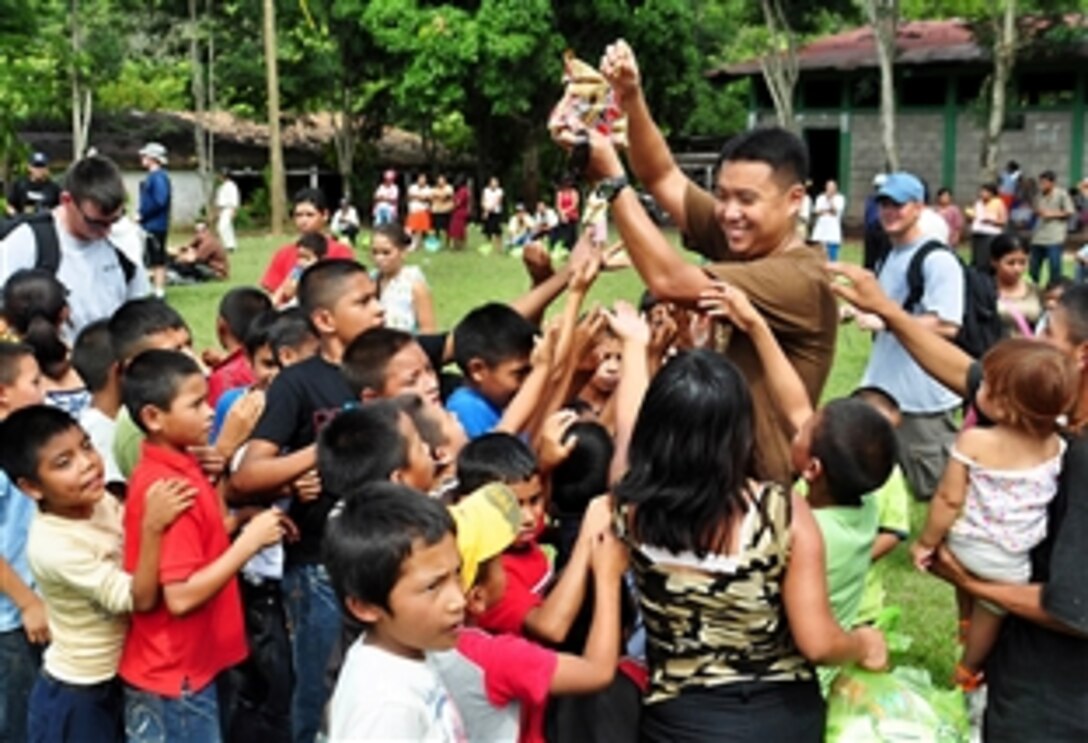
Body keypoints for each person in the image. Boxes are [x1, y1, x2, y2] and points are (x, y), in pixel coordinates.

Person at [826, 265, 1088, 742]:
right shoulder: (1038, 413)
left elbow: (1074, 608)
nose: (1033, 336)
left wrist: (965, 577)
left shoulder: (1077, 450)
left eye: (1048, 330)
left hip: (1053, 706)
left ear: (1082, 354)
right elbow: (967, 373)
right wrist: (887, 309)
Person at [575, 39, 837, 484]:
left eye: (746, 200)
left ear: (795, 200)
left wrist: (612, 181)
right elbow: (661, 175)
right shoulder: (746, 240)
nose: (729, 213)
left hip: (752, 485)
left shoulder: (797, 277)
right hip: (710, 470)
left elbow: (667, 281)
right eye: (722, 196)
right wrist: (632, 98)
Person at [611, 345, 886, 742]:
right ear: (740, 429)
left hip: (681, 718)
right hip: (781, 717)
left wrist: (636, 346)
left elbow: (625, 434)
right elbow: (818, 642)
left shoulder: (627, 509)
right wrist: (863, 642)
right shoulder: (781, 513)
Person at [231, 259, 384, 743]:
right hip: (318, 566)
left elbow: (475, 340)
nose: (378, 310)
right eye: (363, 301)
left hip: (387, 556)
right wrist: (326, 449)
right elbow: (249, 475)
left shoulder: (392, 360)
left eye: (376, 297)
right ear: (324, 320)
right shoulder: (299, 383)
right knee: (322, 695)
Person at [118, 349, 284, 743]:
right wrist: (248, 543)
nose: (210, 412)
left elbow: (198, 544)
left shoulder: (185, 464)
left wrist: (238, 521)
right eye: (195, 404)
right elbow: (180, 596)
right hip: (177, 675)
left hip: (191, 668)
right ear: (154, 418)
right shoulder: (170, 489)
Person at [0, 405, 193, 743]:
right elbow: (140, 599)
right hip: (80, 694)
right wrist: (152, 527)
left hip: (121, 677)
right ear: (31, 487)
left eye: (86, 446)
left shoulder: (100, 500)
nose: (88, 462)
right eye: (64, 463)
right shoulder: (54, 545)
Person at [910, 340, 1077, 712]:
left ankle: (965, 637)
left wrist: (926, 542)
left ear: (1004, 405)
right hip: (1012, 559)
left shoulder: (975, 441)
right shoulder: (1056, 445)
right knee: (995, 609)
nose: (976, 389)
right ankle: (970, 667)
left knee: (971, 585)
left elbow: (949, 499)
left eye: (984, 386)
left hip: (966, 541)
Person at [324, 483, 468, 740]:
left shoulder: (411, 647)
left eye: (457, 574)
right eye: (433, 586)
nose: (458, 600)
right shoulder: (386, 707)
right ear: (366, 607)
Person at [858, 172, 965, 501]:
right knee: (868, 477)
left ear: (918, 207)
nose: (889, 212)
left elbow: (948, 325)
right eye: (884, 204)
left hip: (923, 397)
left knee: (934, 487)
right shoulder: (889, 255)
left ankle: (939, 547)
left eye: (898, 205)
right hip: (882, 386)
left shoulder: (938, 260)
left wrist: (887, 321)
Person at [0, 155, 150, 340]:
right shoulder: (28, 239)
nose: (105, 232)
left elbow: (139, 315)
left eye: (114, 221)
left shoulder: (124, 243)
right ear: (66, 200)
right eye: (95, 222)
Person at [0, 343, 48, 743]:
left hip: (29, 607)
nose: (44, 389)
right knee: (19, 720)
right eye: (34, 382)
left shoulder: (21, 442)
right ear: (4, 393)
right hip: (10, 618)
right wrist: (27, 602)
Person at [259, 188, 354, 294]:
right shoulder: (283, 254)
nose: (303, 221)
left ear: (325, 215)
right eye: (299, 215)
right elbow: (270, 292)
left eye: (310, 215)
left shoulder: (340, 252)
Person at [371, 222, 435, 333]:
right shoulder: (370, 280)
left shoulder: (414, 285)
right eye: (375, 252)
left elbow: (428, 330)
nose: (379, 258)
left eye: (386, 253)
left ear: (403, 252)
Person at [136, 142, 172, 300]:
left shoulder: (158, 177)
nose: (142, 158)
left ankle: (159, 292)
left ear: (153, 158)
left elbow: (160, 201)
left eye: (145, 156)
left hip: (155, 225)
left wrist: (142, 215)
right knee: (150, 258)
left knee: (157, 259)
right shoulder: (153, 177)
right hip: (151, 224)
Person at [990, 233, 1043, 337]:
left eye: (1022, 263)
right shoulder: (983, 291)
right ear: (994, 262)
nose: (1017, 269)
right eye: (1010, 263)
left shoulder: (1036, 291)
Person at [1029, 170, 1074, 286]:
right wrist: (1036, 211)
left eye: (1044, 183)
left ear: (1052, 183)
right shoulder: (1038, 196)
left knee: (1054, 266)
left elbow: (1069, 212)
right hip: (1038, 235)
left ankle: (1054, 288)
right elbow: (1036, 210)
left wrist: (1052, 214)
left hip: (1054, 236)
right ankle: (1035, 285)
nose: (1041, 185)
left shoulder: (1062, 194)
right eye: (1040, 183)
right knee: (1033, 265)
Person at [6, 151, 60, 216]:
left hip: (46, 223)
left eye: (42, 166)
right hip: (24, 223)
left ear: (46, 168)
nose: (39, 170)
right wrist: (16, 217)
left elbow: (60, 208)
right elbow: (10, 206)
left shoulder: (54, 188)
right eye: (36, 166)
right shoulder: (19, 185)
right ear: (29, 167)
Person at [968, 182, 1008, 270]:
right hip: (977, 233)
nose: (982, 194)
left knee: (987, 259)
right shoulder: (978, 203)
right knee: (976, 259)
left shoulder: (998, 203)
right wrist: (970, 217)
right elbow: (973, 218)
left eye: (985, 192)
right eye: (981, 191)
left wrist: (990, 221)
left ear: (991, 193)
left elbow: (1003, 221)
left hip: (991, 235)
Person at [811, 179, 845, 261]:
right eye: (828, 187)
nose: (830, 189)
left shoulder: (840, 198)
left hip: (833, 235)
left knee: (832, 260)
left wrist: (830, 200)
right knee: (817, 259)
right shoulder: (820, 198)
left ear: (836, 189)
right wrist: (827, 211)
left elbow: (835, 211)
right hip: (820, 234)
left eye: (832, 187)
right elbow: (817, 212)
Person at [214, 169, 240, 252]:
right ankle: (231, 245)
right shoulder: (221, 187)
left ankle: (229, 245)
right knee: (225, 227)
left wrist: (234, 210)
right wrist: (218, 211)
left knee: (223, 227)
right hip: (223, 209)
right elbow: (220, 200)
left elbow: (234, 198)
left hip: (228, 208)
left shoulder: (231, 186)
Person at [405, 173, 433, 251]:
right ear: (418, 180)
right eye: (420, 179)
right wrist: (420, 197)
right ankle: (407, 244)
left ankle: (415, 245)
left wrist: (417, 197)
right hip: (413, 211)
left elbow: (428, 198)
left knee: (419, 230)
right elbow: (410, 196)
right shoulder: (412, 187)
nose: (422, 181)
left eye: (424, 179)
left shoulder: (428, 189)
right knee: (409, 229)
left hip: (422, 211)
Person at [555, 180, 580, 251]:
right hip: (563, 217)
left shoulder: (574, 192)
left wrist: (565, 212)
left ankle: (574, 249)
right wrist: (562, 214)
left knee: (572, 236)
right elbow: (558, 205)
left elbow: (575, 205)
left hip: (572, 216)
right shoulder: (560, 193)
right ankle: (565, 250)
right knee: (563, 236)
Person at [481, 177, 505, 253]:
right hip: (487, 211)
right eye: (492, 182)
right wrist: (485, 209)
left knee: (497, 231)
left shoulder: (500, 191)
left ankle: (499, 248)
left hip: (496, 212)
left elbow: (497, 202)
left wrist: (488, 211)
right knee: (487, 230)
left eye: (495, 182)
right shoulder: (486, 190)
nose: (494, 184)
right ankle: (488, 247)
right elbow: (483, 200)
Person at [431, 174, 455, 249]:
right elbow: (431, 198)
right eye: (439, 181)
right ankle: (436, 244)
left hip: (446, 211)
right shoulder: (434, 189)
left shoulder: (449, 188)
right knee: (436, 230)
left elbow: (446, 197)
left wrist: (438, 196)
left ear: (445, 181)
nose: (441, 182)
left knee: (447, 229)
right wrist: (440, 196)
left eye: (442, 180)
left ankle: (447, 243)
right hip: (436, 211)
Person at [449, 176, 471, 252]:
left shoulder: (463, 191)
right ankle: (458, 245)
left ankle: (459, 246)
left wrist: (451, 208)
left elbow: (458, 202)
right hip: (460, 212)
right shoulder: (463, 190)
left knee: (458, 229)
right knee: (459, 229)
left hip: (459, 212)